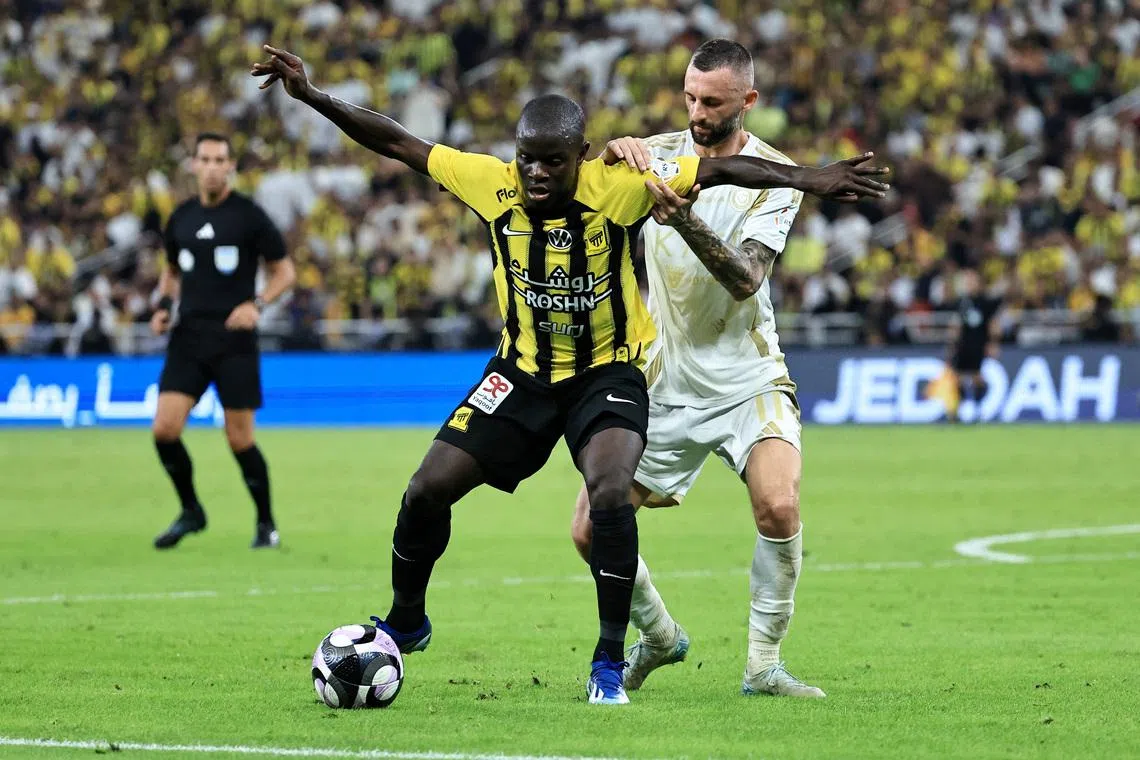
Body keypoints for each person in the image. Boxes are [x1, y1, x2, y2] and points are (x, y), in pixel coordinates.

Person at [251, 43, 888, 705]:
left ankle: (633, 663)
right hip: (530, 374)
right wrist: (314, 96)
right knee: (429, 492)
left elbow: (732, 187)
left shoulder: (627, 187)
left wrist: (809, 178)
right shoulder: (502, 179)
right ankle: (414, 620)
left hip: (625, 372)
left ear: (578, 157)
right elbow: (398, 142)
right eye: (527, 157)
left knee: (638, 498)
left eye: (553, 160)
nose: (536, 172)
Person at [570, 39, 826, 698]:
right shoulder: (657, 154)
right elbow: (581, 197)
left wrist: (683, 222)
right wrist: (609, 156)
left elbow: (745, 279)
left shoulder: (776, 175)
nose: (697, 112)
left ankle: (763, 664)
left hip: (748, 375)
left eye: (711, 102)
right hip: (665, 377)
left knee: (778, 505)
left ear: (748, 101)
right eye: (689, 97)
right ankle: (659, 635)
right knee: (589, 529)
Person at [150, 132, 296, 550]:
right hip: (189, 337)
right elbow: (172, 271)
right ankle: (191, 510)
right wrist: (163, 306)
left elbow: (285, 272)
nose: (212, 167)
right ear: (194, 165)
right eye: (205, 159)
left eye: (220, 160)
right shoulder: (181, 217)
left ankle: (266, 523)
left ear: (230, 166)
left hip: (235, 340)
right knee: (164, 430)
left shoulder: (249, 216)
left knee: (239, 439)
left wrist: (257, 304)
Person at [946, 267, 1001, 423]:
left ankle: (978, 410)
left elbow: (992, 324)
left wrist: (993, 343)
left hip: (978, 344)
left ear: (978, 283)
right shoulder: (961, 302)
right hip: (962, 345)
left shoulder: (985, 302)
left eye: (972, 281)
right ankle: (956, 412)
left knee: (977, 378)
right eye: (967, 281)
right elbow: (956, 324)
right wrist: (952, 344)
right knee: (957, 378)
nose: (969, 284)